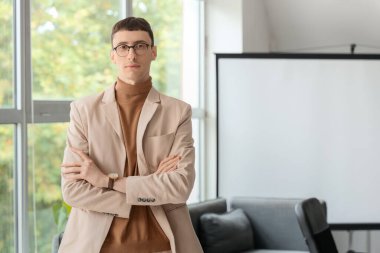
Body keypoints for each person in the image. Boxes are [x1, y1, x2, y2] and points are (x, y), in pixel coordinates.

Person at [59, 17, 203, 253]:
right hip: (96, 246)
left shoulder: (178, 112)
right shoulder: (83, 111)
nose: (131, 54)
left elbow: (179, 187)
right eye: (123, 47)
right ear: (112, 55)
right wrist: (149, 188)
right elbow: (73, 191)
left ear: (153, 52)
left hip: (164, 246)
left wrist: (108, 182)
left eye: (140, 46)